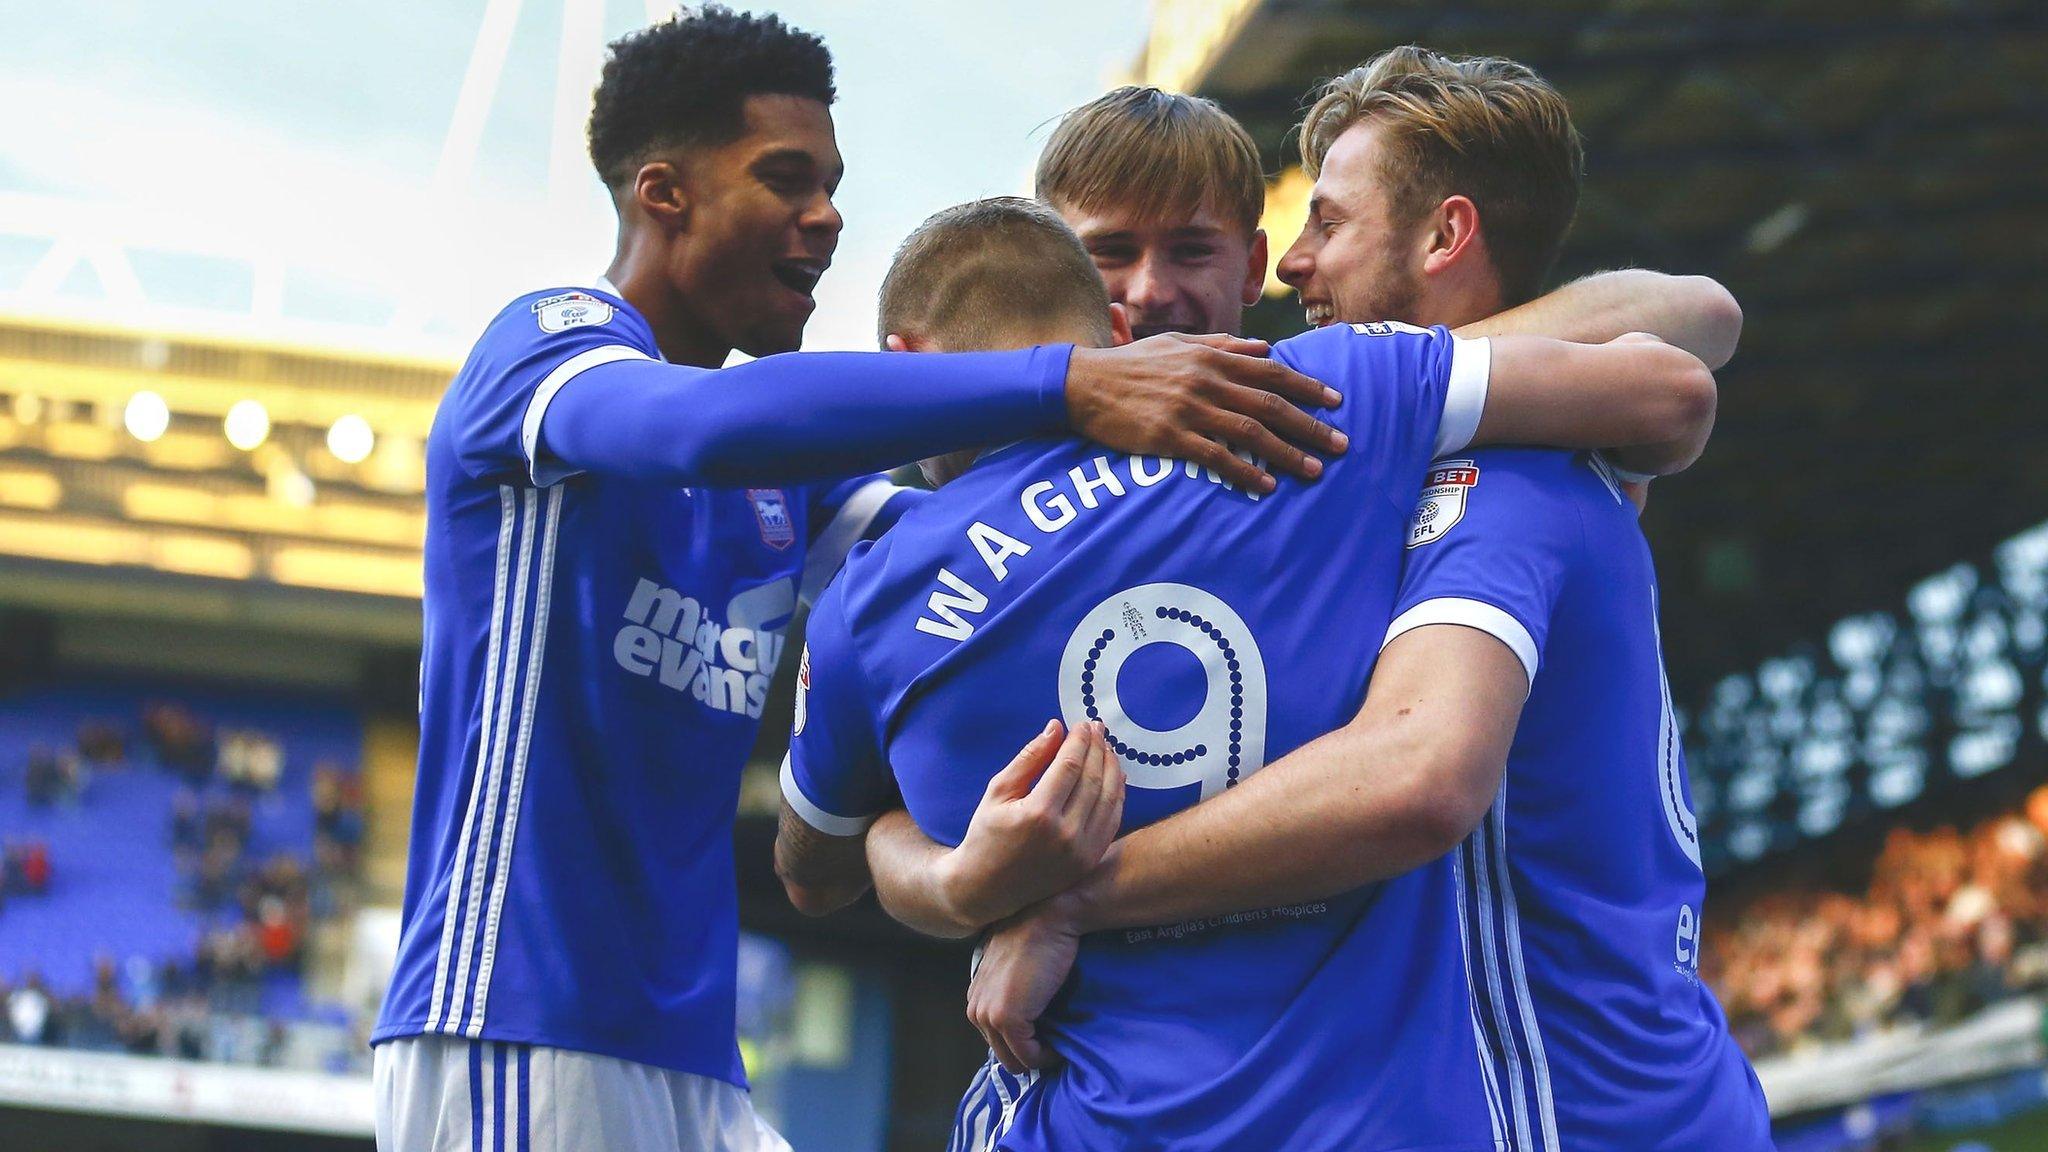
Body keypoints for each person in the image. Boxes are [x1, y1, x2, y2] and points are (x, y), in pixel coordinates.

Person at [369, 9, 1350, 1152]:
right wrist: (1066, 384)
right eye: (785, 179)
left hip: (688, 1048)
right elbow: (691, 431)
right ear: (662, 194)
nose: (827, 216)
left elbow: (1007, 562)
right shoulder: (547, 347)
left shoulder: (798, 492)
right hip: (513, 1023)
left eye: (831, 185)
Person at [950, 50, 1772, 1150]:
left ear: (1441, 237)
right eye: (1106, 253)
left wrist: (1063, 898)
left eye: (1326, 223)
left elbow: (1415, 776)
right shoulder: (1332, 482)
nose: (1294, 267)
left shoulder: (1495, 479)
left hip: (1563, 1107)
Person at [774, 193, 1715, 1150]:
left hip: (1079, 1122)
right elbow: (1669, 388)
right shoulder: (1319, 391)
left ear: (904, 370)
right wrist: (1607, 487)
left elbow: (812, 870)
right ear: (1117, 331)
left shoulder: (869, 603)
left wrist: (965, 876)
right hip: (1370, 1119)